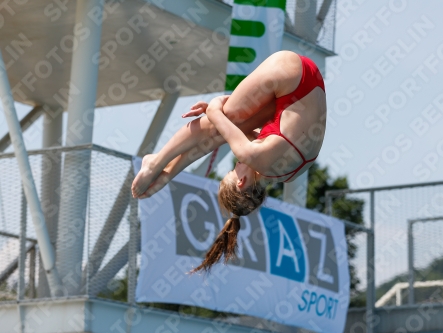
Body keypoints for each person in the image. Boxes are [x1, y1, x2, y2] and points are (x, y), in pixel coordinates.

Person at [131, 50, 326, 272]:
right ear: (241, 182)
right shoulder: (253, 156)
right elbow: (216, 113)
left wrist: (220, 114)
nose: (236, 164)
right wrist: (217, 107)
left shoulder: (283, 173)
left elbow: (222, 135)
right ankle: (156, 162)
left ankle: (164, 171)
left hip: (309, 86)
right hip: (291, 72)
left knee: (221, 128)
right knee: (223, 120)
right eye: (234, 170)